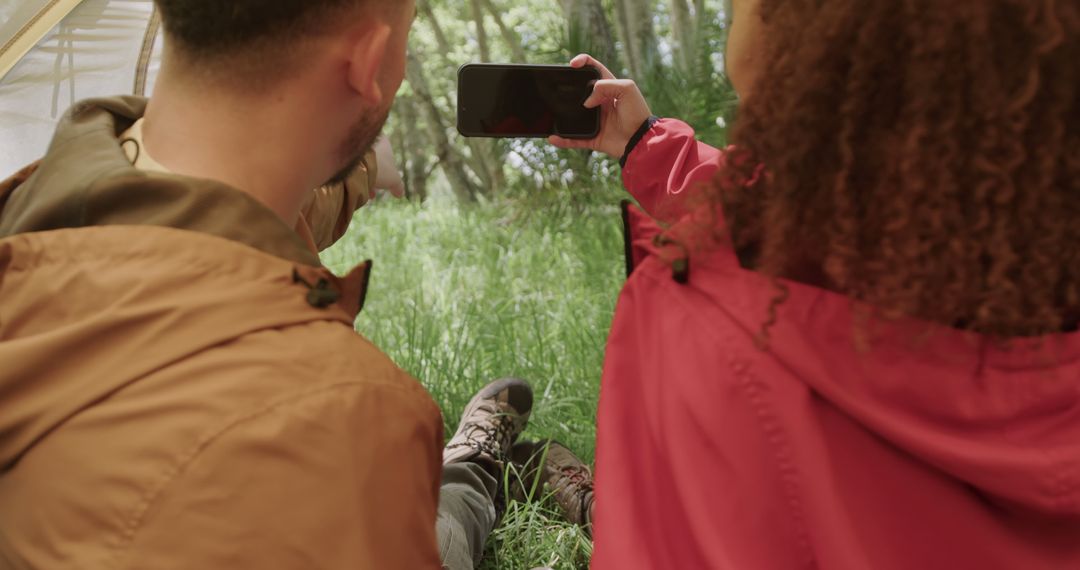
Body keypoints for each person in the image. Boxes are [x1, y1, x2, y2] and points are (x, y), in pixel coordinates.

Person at [0, 1, 537, 568]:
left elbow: (273, 206)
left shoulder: (40, 194)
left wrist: (357, 169)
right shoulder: (353, 418)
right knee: (445, 531)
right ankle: (473, 471)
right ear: (368, 59)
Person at [550, 0, 1080, 568]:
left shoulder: (706, 333)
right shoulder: (1014, 221)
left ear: (797, 33)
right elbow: (786, 203)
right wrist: (645, 145)